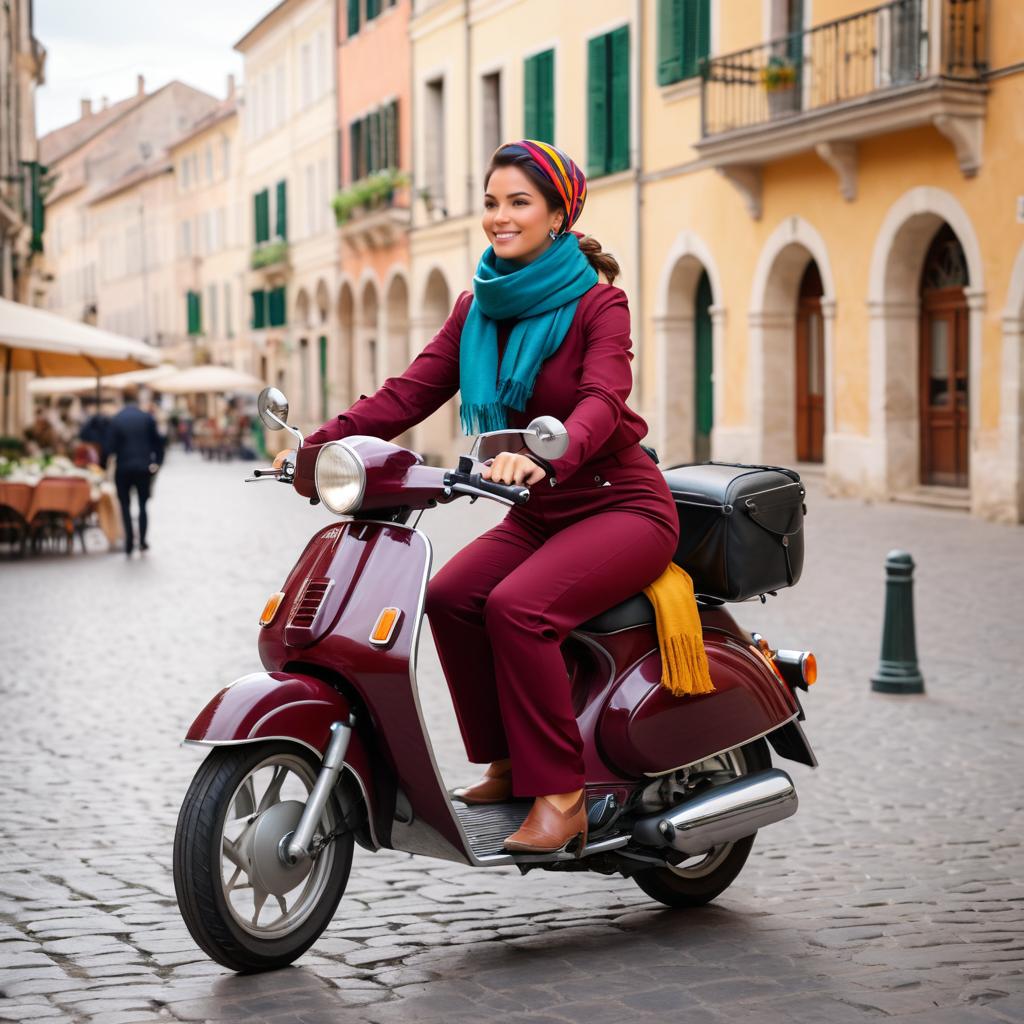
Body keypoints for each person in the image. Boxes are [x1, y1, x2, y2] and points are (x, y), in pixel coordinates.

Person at [275, 140, 680, 855]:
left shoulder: (598, 304)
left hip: (622, 505)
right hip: (542, 513)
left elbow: (601, 401)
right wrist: (315, 449)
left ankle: (562, 794)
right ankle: (510, 762)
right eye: (491, 202)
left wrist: (541, 457)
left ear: (558, 214)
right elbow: (408, 392)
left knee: (518, 609)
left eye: (518, 202)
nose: (499, 216)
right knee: (453, 594)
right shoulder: (477, 308)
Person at [105, 385, 164, 556]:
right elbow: (159, 444)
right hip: (143, 468)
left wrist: (105, 463)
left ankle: (129, 541)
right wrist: (157, 463)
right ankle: (143, 541)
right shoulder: (147, 418)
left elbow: (109, 448)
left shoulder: (116, 419)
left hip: (123, 468)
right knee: (143, 505)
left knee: (125, 505)